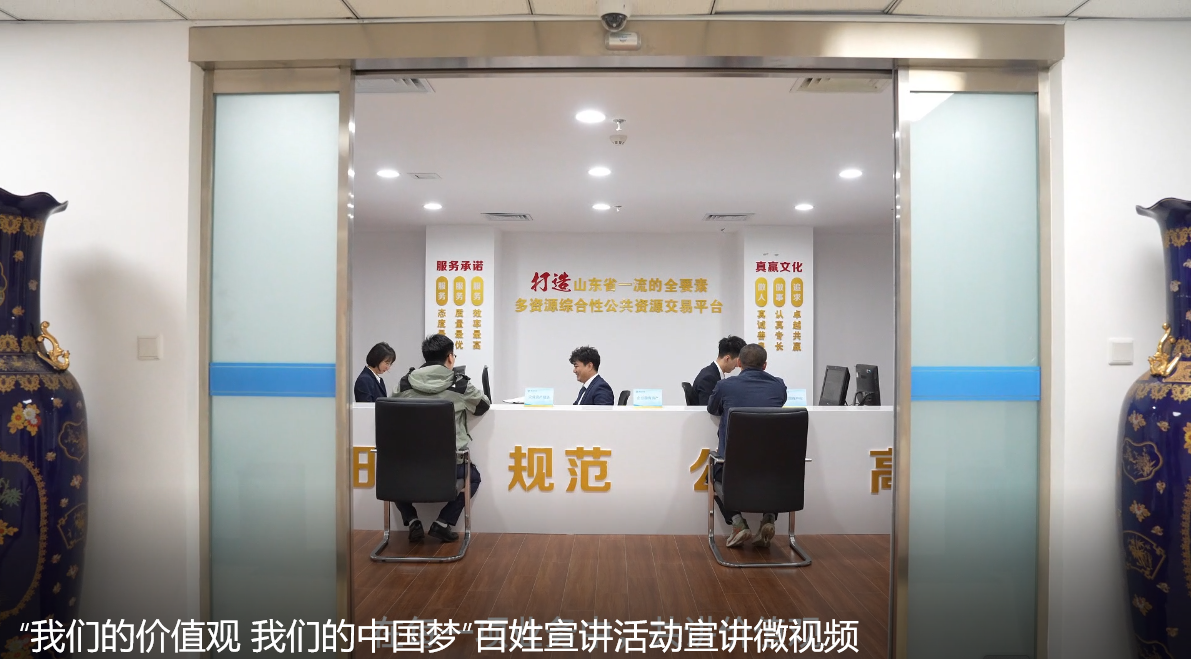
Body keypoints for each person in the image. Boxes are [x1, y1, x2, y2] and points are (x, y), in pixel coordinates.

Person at [393, 334, 491, 542]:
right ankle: (443, 522)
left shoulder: (404, 383)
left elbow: (390, 408)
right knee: (473, 478)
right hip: (450, 466)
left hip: (408, 466)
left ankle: (412, 520)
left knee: (391, 474)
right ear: (450, 357)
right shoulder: (460, 385)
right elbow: (482, 406)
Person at [706, 343, 787, 548]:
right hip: (771, 467)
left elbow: (712, 409)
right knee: (772, 478)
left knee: (713, 476)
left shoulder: (725, 386)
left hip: (733, 466)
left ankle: (738, 524)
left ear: (739, 363)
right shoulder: (779, 386)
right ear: (765, 365)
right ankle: (768, 518)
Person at [692, 335, 746, 406]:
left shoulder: (712, 373)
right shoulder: (708, 378)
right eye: (737, 361)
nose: (738, 365)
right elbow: (707, 408)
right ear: (727, 358)